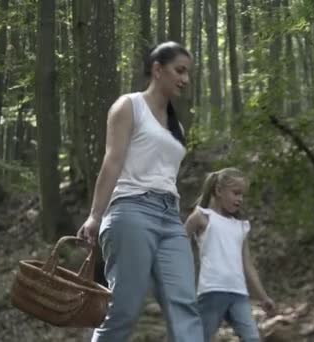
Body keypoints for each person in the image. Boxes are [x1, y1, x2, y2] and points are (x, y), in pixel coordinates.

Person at [77, 41, 204, 342]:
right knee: (124, 309)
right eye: (180, 70)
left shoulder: (178, 128)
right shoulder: (129, 106)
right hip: (131, 210)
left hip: (170, 219)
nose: (185, 79)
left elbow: (166, 176)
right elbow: (113, 161)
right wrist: (95, 215)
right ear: (157, 70)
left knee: (184, 305)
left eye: (188, 73)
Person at [185, 167, 276, 342]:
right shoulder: (202, 216)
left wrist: (263, 297)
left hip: (239, 293)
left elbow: (247, 266)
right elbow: (177, 245)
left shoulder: (241, 226)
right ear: (219, 191)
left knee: (252, 338)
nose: (240, 199)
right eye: (236, 193)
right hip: (212, 291)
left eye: (242, 195)